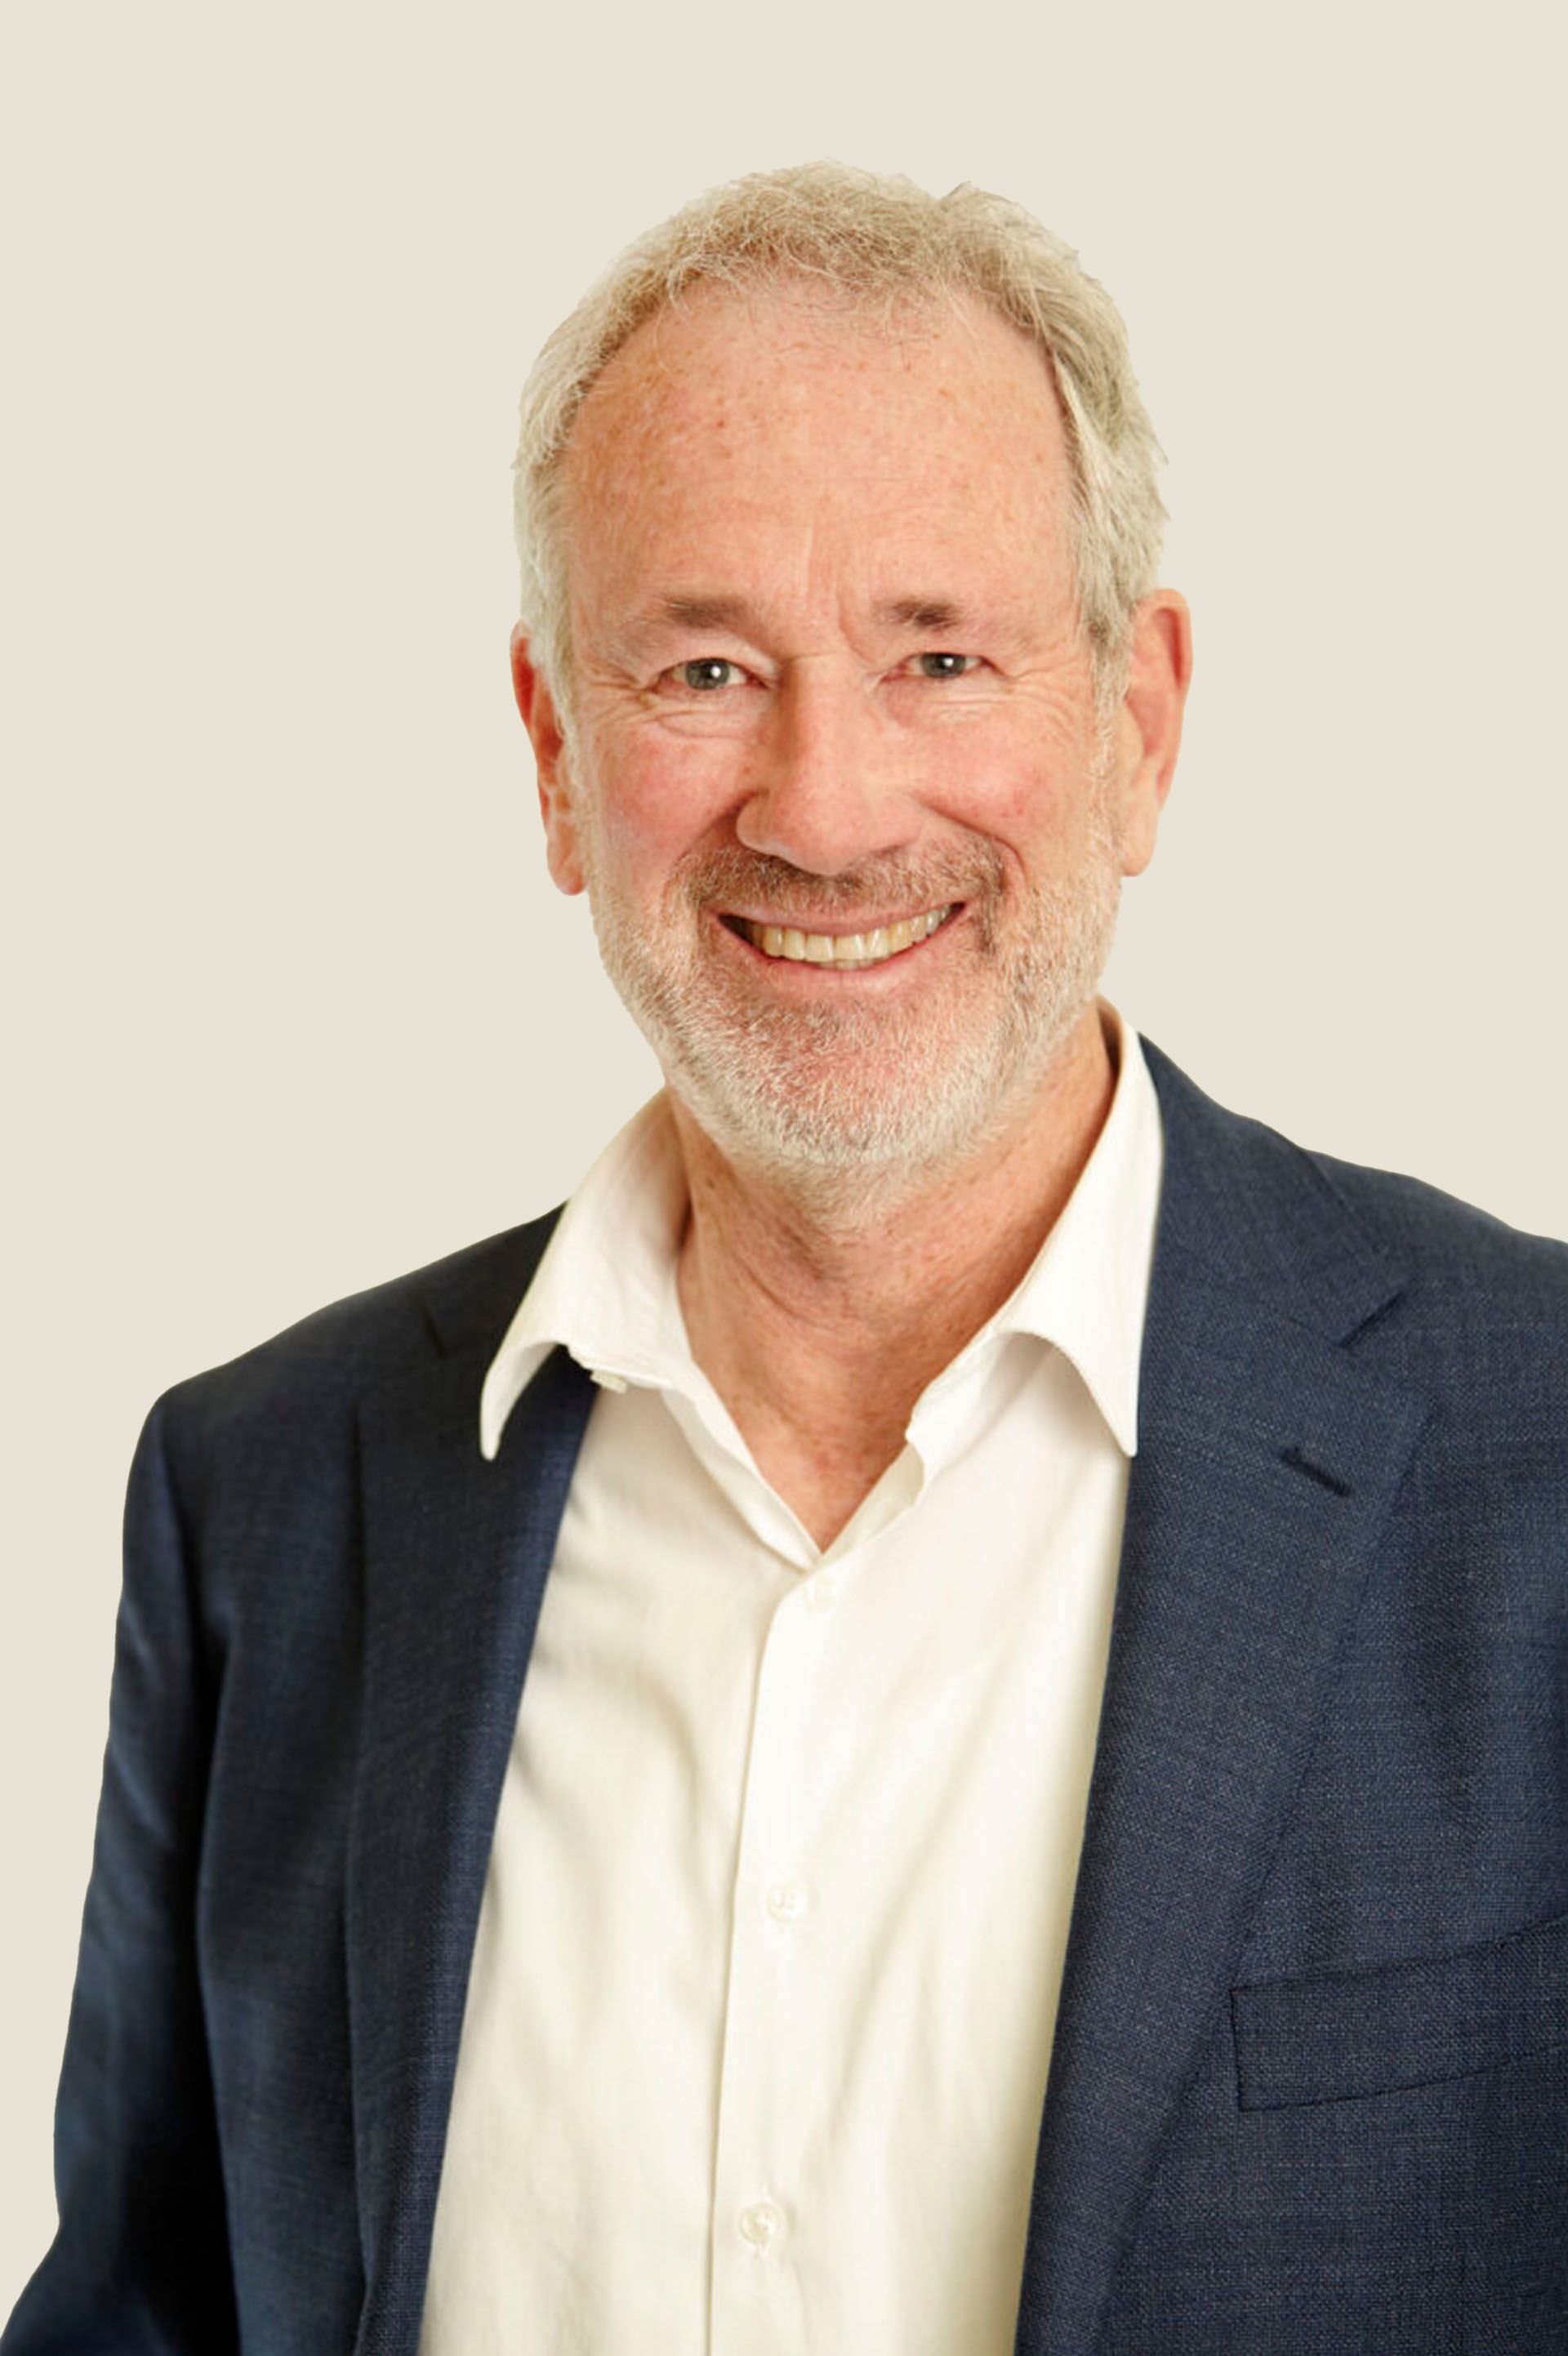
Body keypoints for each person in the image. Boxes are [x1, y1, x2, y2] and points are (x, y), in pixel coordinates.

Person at [5, 163, 1565, 2356]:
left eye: (942, 655)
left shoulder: (1540, 1460)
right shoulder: (264, 1503)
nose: (825, 808)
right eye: (708, 667)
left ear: (1140, 721)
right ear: (557, 754)